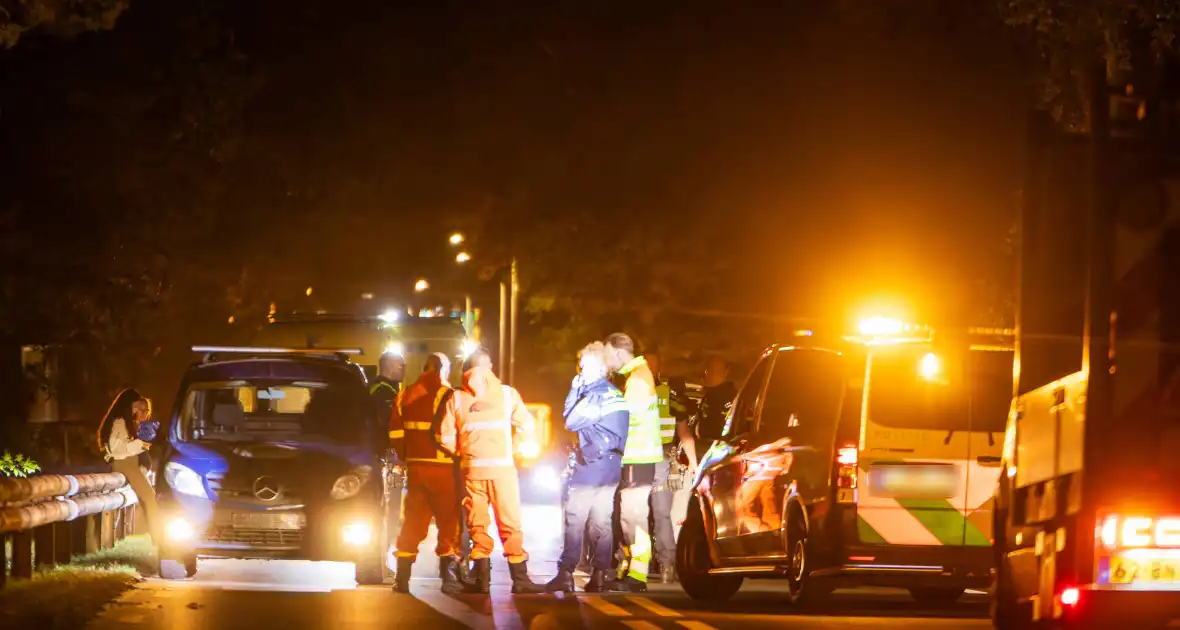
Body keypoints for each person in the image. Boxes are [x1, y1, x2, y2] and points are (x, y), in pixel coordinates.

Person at [437, 365, 546, 594]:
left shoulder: (456, 398)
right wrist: (514, 449)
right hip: (502, 471)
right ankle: (520, 580)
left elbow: (444, 436)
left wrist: (464, 451)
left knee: (478, 525)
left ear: (465, 370)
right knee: (510, 524)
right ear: (490, 368)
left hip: (472, 471)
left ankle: (481, 581)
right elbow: (527, 426)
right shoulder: (507, 394)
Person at [546, 342, 629, 593]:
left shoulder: (595, 395)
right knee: (601, 521)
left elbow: (570, 420)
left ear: (599, 368)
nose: (580, 370)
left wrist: (575, 389)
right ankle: (600, 574)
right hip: (613, 466)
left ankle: (565, 572)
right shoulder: (616, 393)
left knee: (575, 517)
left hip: (592, 464)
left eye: (584, 365)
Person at [388, 353, 463, 594]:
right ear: (443, 371)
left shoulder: (404, 394)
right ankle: (449, 578)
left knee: (412, 522)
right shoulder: (448, 395)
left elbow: (396, 435)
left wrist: (407, 457)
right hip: (444, 469)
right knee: (448, 522)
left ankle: (402, 578)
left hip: (416, 469)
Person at [603, 332, 664, 593]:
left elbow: (626, 420)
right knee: (629, 517)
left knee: (634, 517)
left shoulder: (637, 380)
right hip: (636, 458)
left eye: (609, 355)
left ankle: (637, 575)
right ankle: (629, 571)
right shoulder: (637, 375)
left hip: (638, 458)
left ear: (619, 353)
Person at [645, 350, 697, 583]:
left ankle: (642, 564)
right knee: (661, 514)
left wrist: (694, 463)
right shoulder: (670, 397)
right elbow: (684, 434)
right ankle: (666, 564)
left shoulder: (627, 397)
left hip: (643, 462)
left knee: (638, 514)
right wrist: (693, 464)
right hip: (660, 461)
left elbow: (685, 435)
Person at [97, 389, 162, 548]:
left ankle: (158, 538)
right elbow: (118, 449)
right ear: (128, 407)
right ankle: (160, 540)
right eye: (137, 408)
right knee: (150, 499)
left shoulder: (134, 424)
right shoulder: (120, 422)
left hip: (130, 463)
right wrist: (143, 442)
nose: (142, 413)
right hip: (125, 462)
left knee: (149, 499)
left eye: (145, 410)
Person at [695, 355, 738, 450]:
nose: (708, 373)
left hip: (716, 446)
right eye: (709, 369)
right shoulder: (711, 394)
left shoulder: (727, 395)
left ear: (726, 372)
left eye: (713, 369)